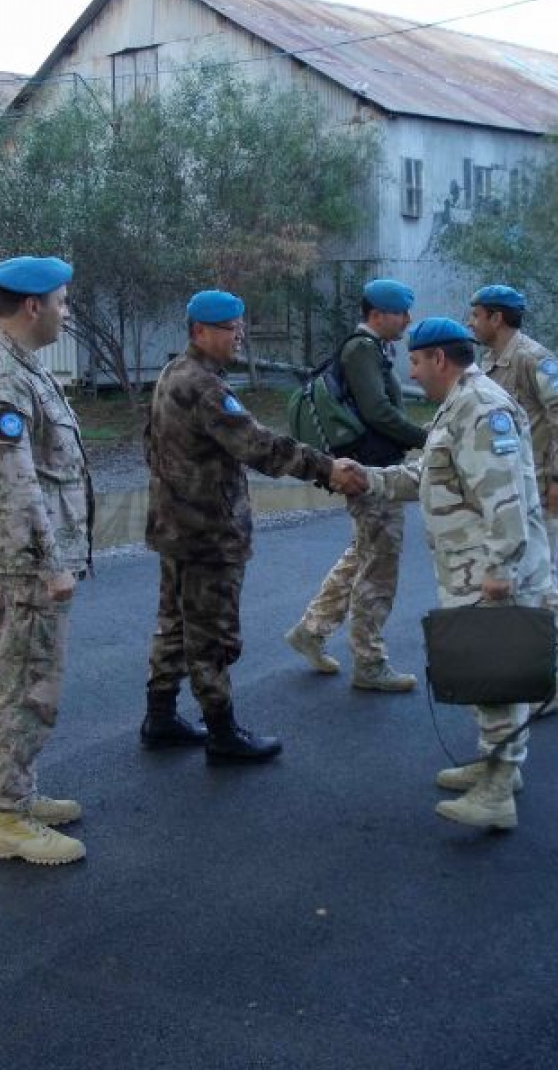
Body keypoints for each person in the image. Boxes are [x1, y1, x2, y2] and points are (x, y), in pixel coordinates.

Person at [141, 289, 365, 763]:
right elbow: (259, 446)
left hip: (175, 526)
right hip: (207, 533)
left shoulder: (172, 372)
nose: (239, 336)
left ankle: (160, 717)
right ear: (200, 331)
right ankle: (222, 733)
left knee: (174, 624)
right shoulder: (206, 387)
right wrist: (326, 468)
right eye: (230, 328)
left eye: (241, 327)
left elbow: (152, 446)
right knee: (212, 634)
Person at [363, 317, 552, 830]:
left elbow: (504, 493)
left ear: (439, 359)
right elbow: (431, 474)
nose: (411, 372)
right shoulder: (459, 404)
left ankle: (497, 792)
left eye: (416, 361)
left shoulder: (481, 407)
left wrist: (500, 567)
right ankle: (497, 766)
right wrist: (369, 479)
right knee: (483, 671)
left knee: (494, 675)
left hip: (487, 569)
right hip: (468, 567)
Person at [0, 255, 91, 866]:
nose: (66, 311)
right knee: (26, 685)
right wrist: (50, 563)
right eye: (61, 301)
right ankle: (9, 820)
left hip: (30, 551)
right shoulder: (0, 378)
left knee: (31, 678)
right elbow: (15, 480)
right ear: (33, 306)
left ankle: (18, 794)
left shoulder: (21, 364)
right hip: (27, 559)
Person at [284, 278, 428, 692]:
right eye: (401, 312)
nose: (408, 319)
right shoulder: (362, 349)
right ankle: (369, 662)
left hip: (373, 469)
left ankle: (311, 630)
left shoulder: (372, 348)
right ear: (378, 315)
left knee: (363, 553)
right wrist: (428, 439)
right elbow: (378, 411)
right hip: (372, 473)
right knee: (378, 568)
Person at [467, 285, 558, 714]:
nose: (470, 322)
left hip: (537, 490)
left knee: (543, 586)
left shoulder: (534, 359)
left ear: (496, 318)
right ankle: (523, 674)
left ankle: (547, 686)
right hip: (509, 493)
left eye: (476, 315)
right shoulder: (490, 362)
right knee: (515, 584)